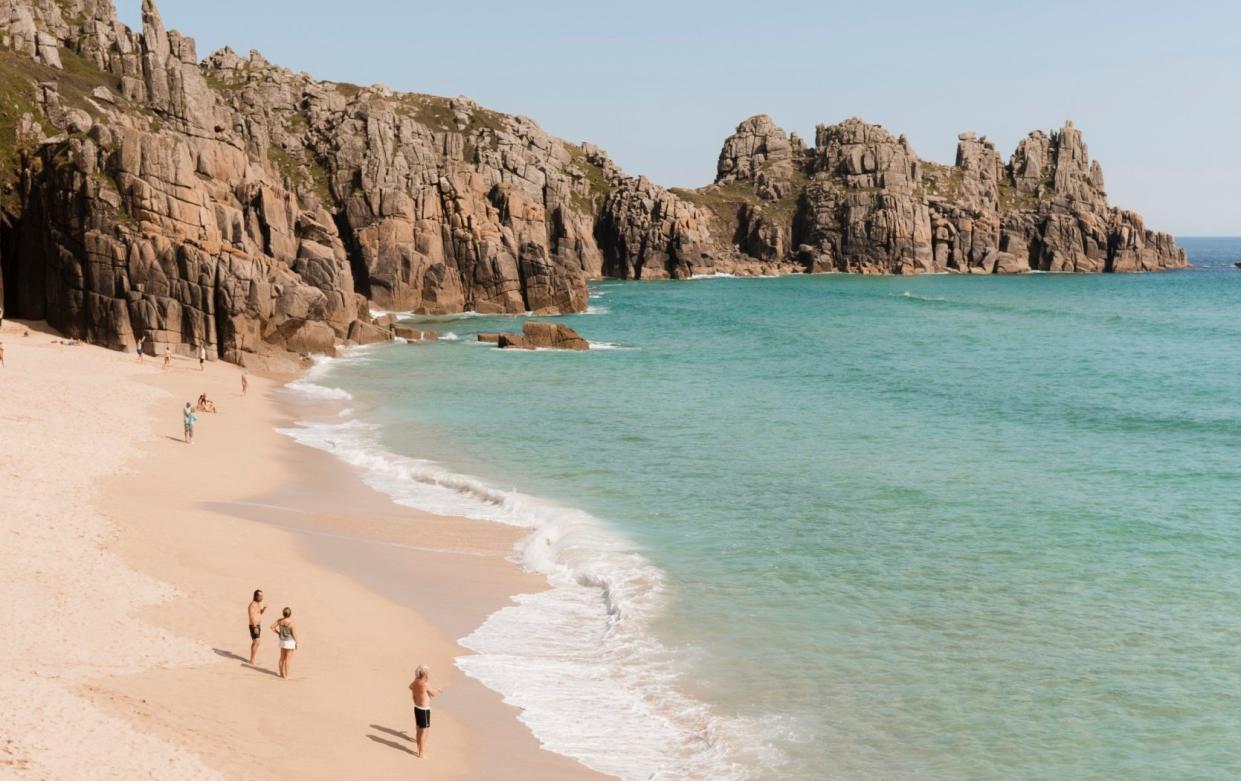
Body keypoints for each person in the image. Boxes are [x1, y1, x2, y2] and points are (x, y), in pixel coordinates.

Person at [409, 665, 438, 758]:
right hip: (424, 709)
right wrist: (437, 690)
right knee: (424, 731)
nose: (429, 673)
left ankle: (418, 747)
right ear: (424, 673)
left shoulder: (416, 681)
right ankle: (421, 753)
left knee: (418, 728)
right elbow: (433, 693)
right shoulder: (424, 684)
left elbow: (410, 687)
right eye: (427, 672)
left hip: (417, 707)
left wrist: (418, 694)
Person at [271, 607, 298, 679]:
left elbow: (272, 627)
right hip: (289, 642)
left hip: (282, 641)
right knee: (288, 660)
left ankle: (281, 673)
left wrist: (278, 633)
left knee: (282, 658)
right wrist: (296, 642)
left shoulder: (280, 621)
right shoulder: (292, 623)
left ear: (283, 613)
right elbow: (294, 634)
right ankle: (286, 675)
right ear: (290, 614)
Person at [247, 589, 267, 665]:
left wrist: (264, 608)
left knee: (255, 642)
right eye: (260, 595)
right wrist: (255, 627)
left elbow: (260, 613)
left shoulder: (259, 604)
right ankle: (252, 660)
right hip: (254, 625)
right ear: (256, 596)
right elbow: (251, 616)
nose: (262, 597)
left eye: (262, 595)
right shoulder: (252, 605)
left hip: (258, 625)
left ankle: (252, 658)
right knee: (257, 642)